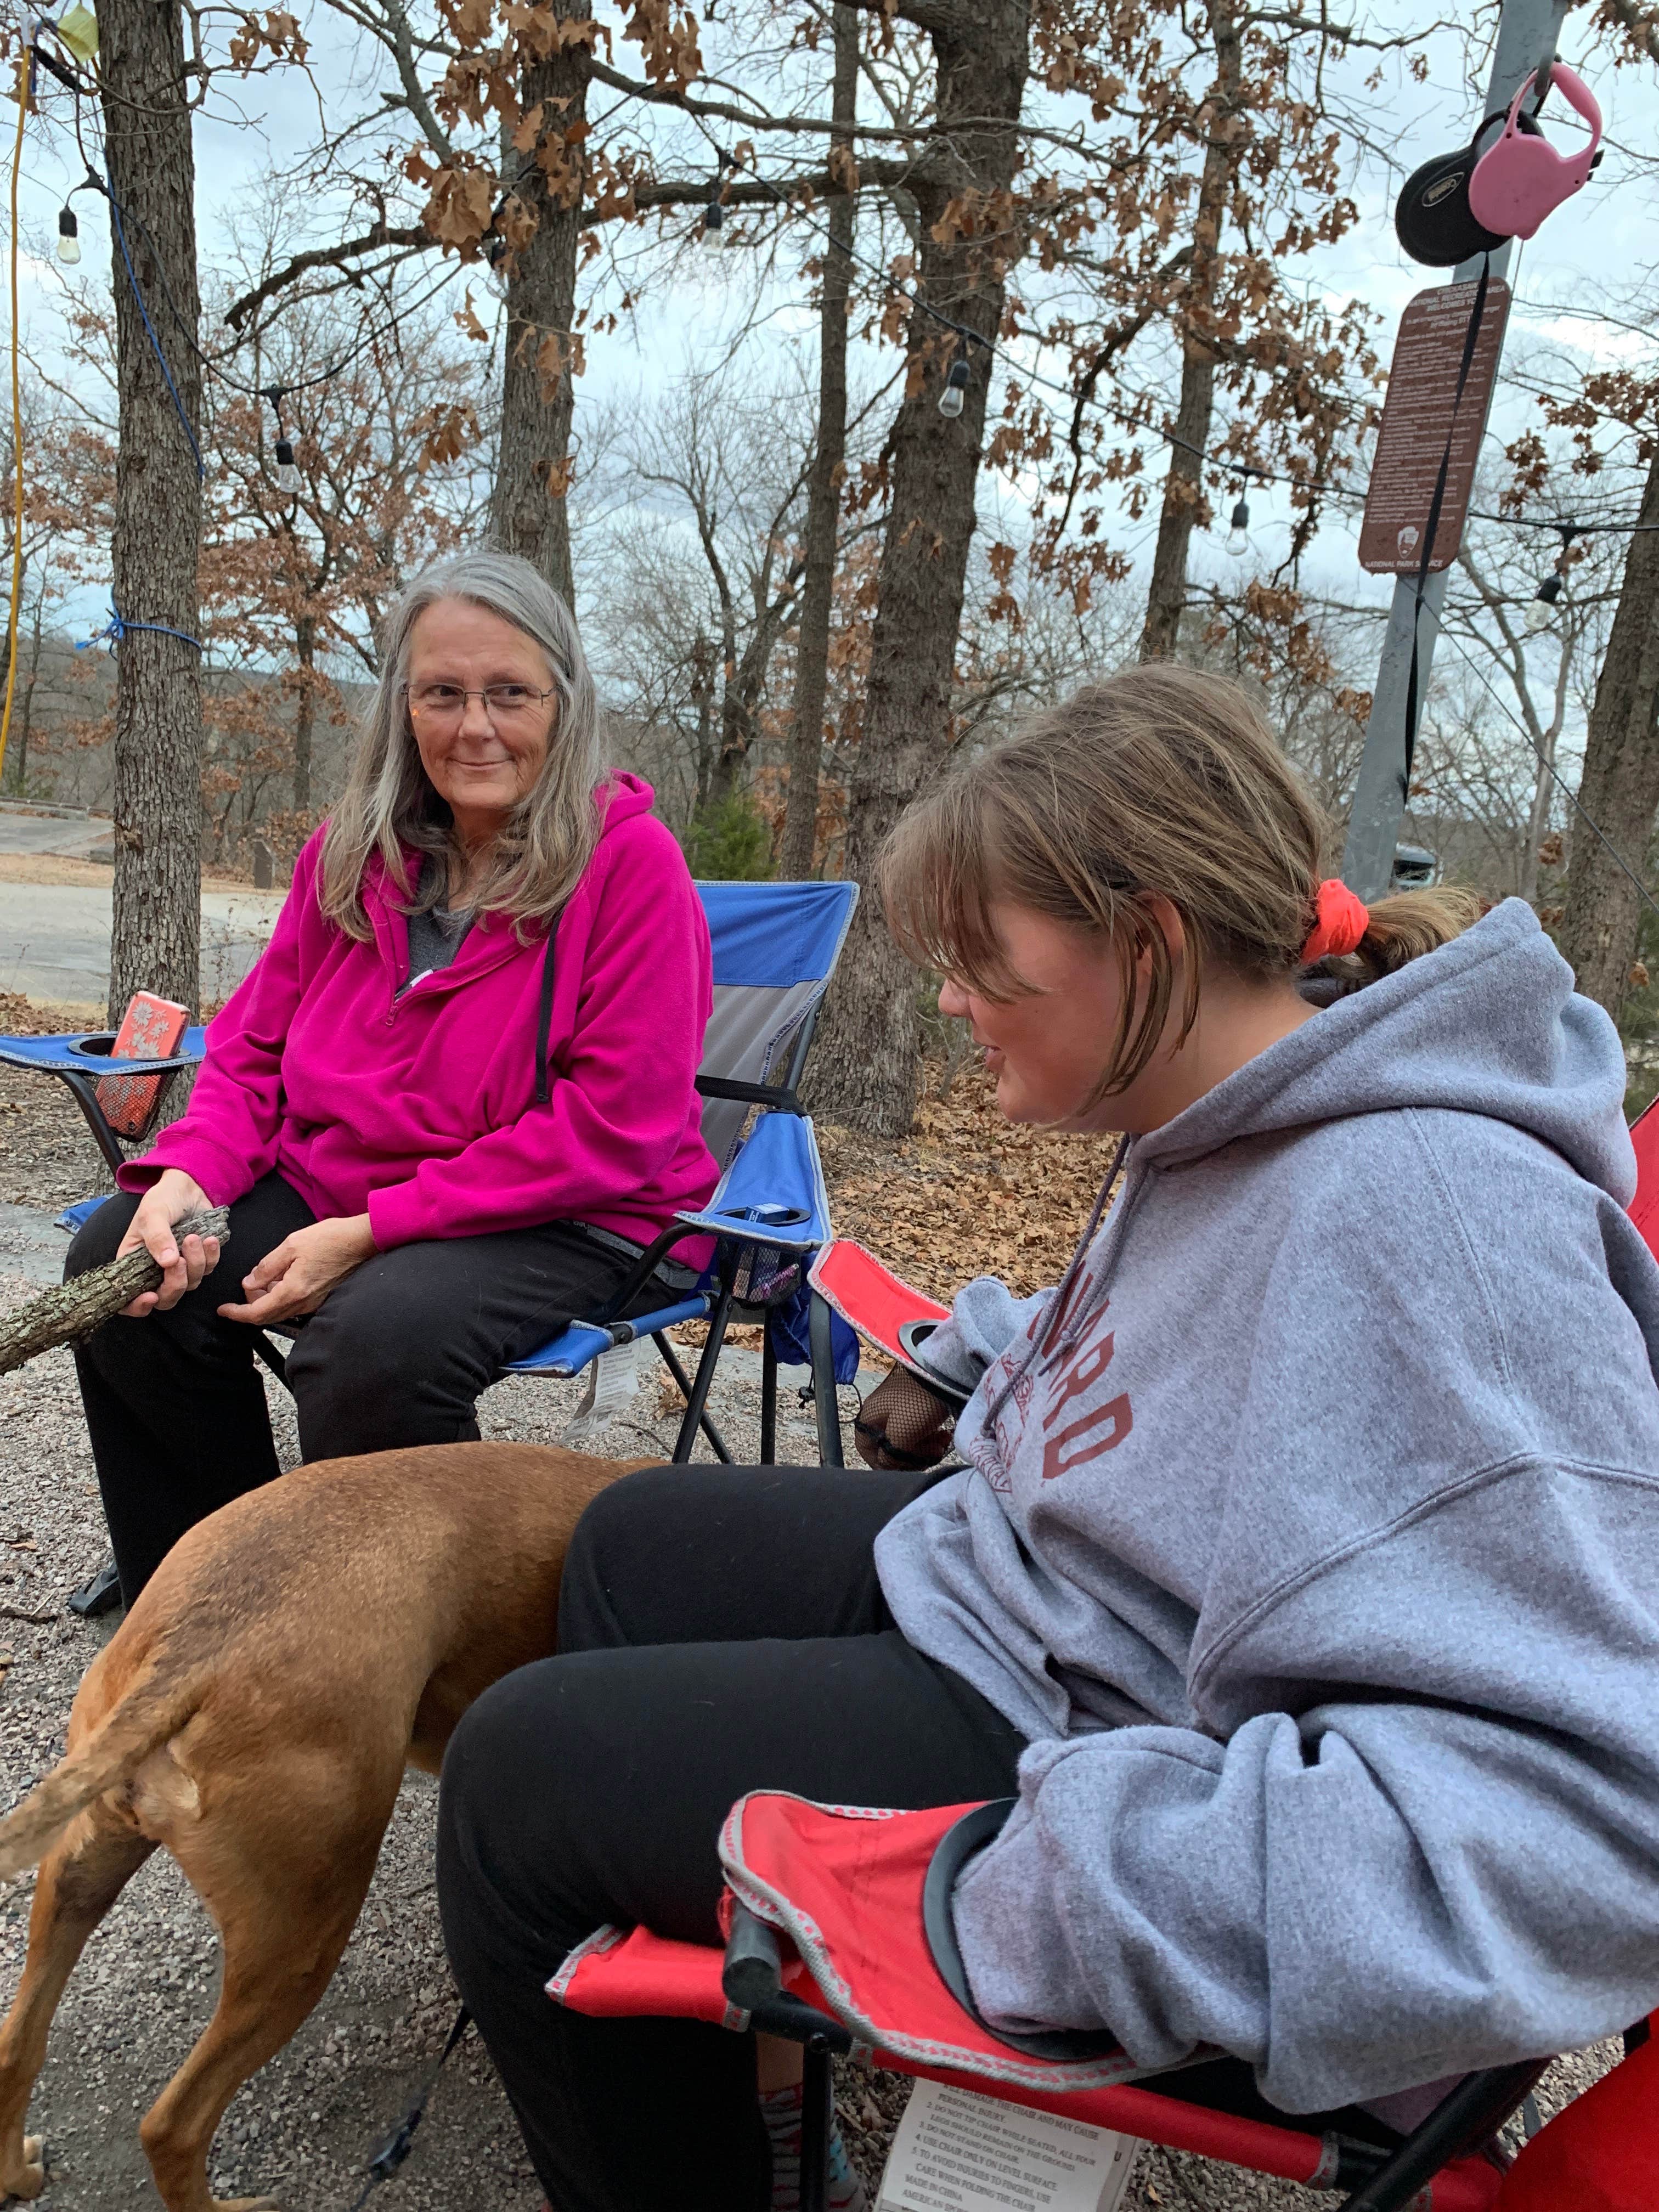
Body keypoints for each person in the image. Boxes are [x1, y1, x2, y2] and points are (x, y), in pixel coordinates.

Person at [434, 664, 1659, 2212]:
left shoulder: (1436, 1221)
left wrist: (1040, 1901)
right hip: (1049, 1596)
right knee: (629, 1541)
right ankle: (750, 2077)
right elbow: (1191, 1353)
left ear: (1143, 939)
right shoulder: (1227, 1106)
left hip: (1117, 1746)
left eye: (981, 960)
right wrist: (983, 1357)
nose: (949, 1001)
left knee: (514, 1787)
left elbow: (1583, 1832)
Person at [67, 548, 718, 1605]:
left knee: (374, 1346)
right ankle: (222, 1607)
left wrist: (374, 1231)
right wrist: (186, 1172)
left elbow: (617, 1127)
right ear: (403, 707)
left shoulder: (629, 869)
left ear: (563, 700)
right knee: (126, 1269)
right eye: (442, 693)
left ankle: (404, 1638)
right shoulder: (354, 854)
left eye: (509, 693)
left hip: (571, 1209)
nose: (476, 727)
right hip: (354, 1183)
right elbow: (253, 1053)